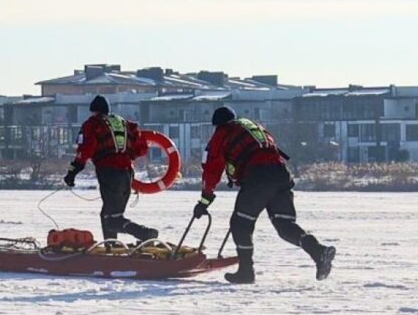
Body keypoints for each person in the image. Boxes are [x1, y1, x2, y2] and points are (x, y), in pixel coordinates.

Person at [193, 106, 336, 284]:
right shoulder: (253, 127)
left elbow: (212, 170)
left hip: (258, 178)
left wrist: (204, 201)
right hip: (281, 175)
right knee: (284, 225)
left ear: (217, 124)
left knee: (240, 224)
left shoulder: (222, 133)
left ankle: (246, 271)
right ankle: (319, 251)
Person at [63, 95, 159, 243]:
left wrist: (72, 172)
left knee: (111, 219)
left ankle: (142, 233)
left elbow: (85, 150)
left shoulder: (93, 124)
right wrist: (127, 155)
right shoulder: (125, 124)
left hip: (108, 172)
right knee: (112, 215)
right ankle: (112, 246)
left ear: (94, 111)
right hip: (127, 173)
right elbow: (142, 148)